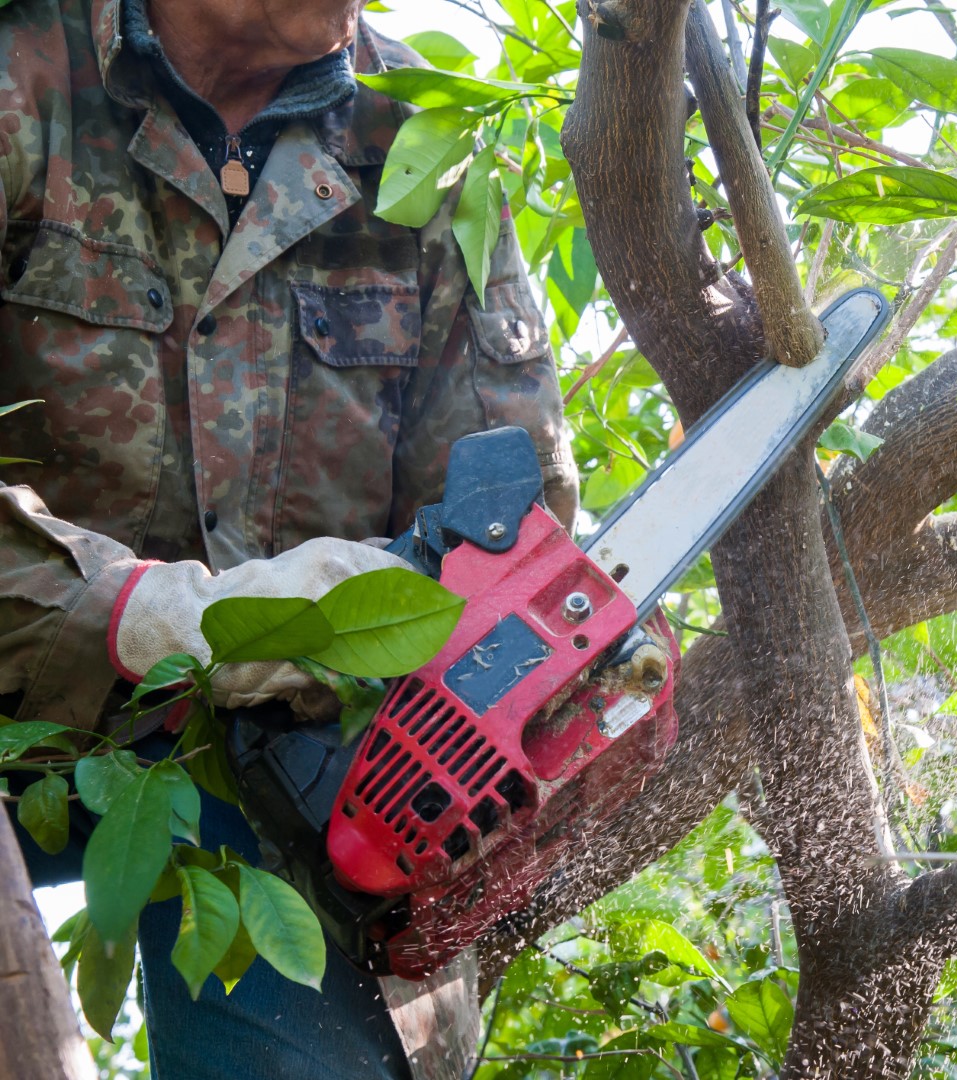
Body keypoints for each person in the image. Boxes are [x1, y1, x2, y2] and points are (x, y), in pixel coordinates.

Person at [0, 0, 576, 1077]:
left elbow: (507, 504)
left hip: (283, 755)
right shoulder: (21, 73)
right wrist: (133, 613)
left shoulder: (423, 140)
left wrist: (446, 627)